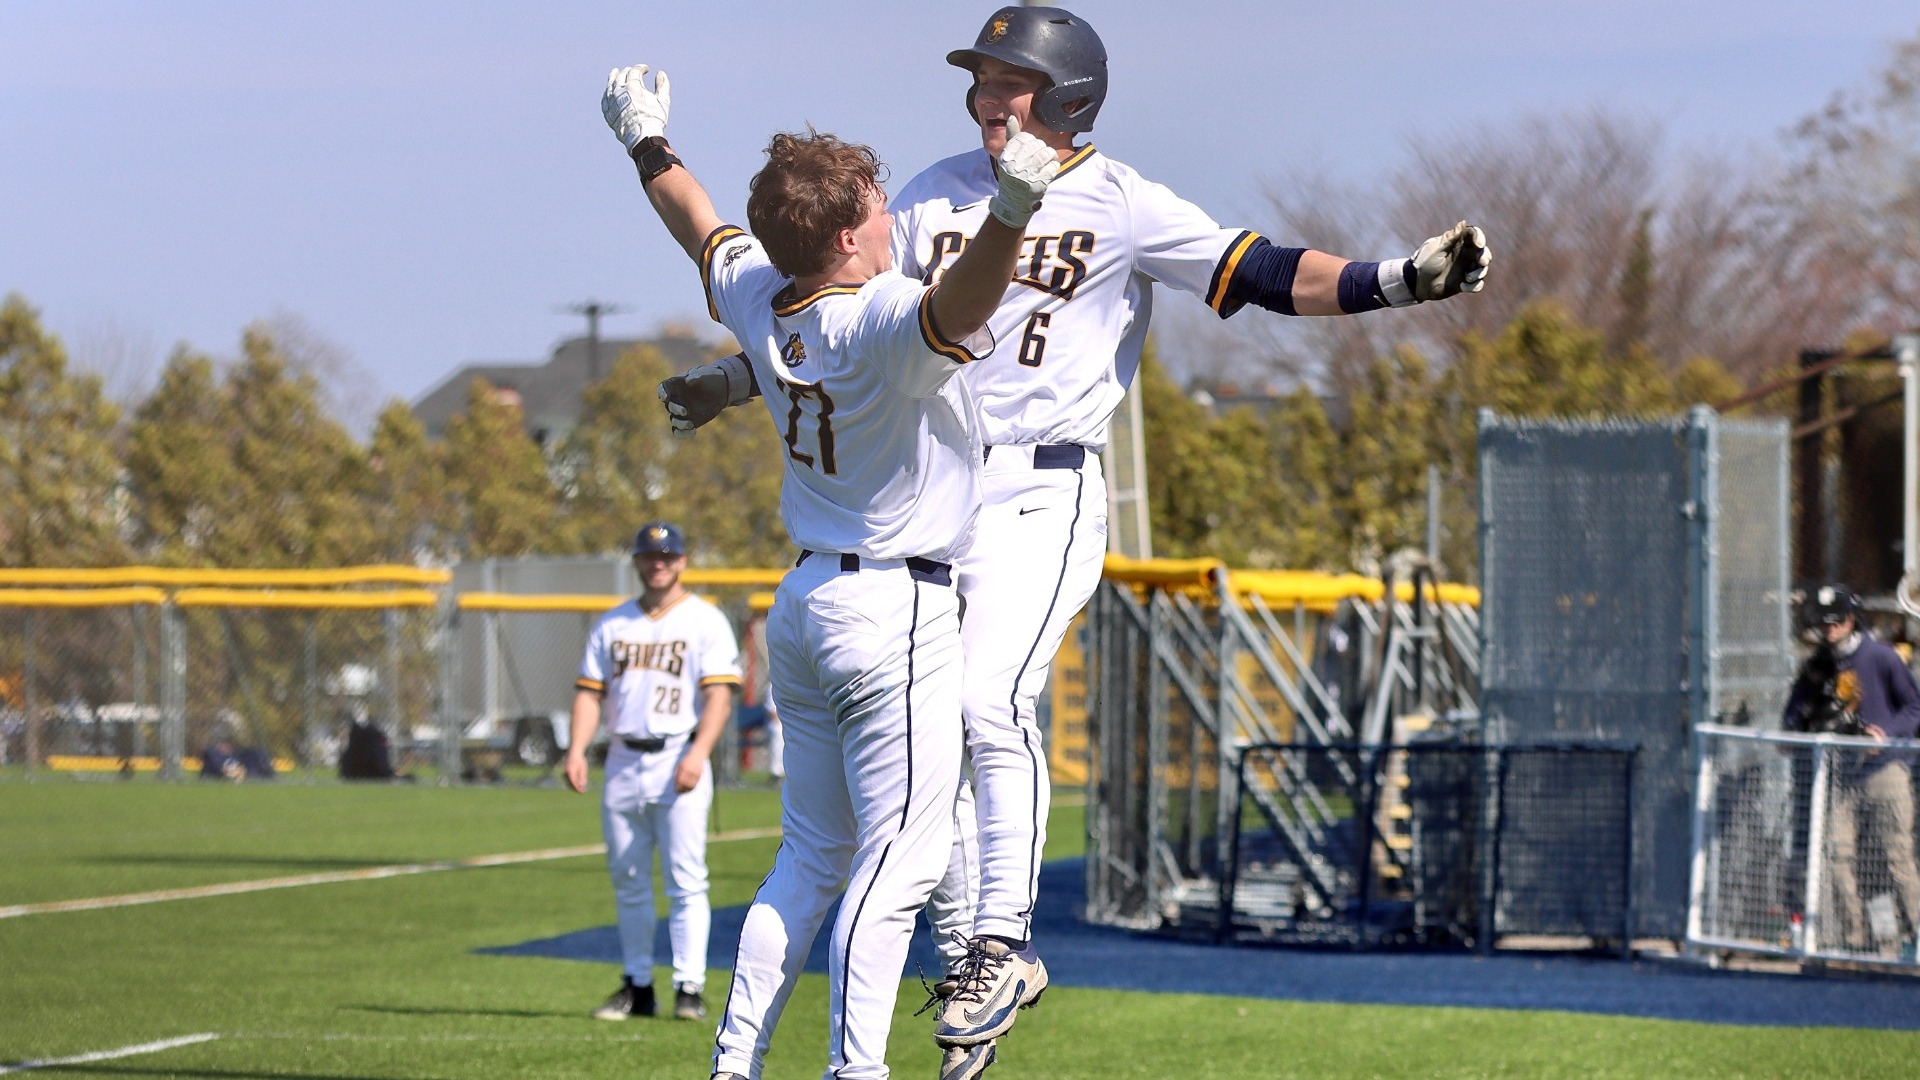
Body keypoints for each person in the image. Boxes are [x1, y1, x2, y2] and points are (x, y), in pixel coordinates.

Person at [659, 7, 1491, 1065]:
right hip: (939, 492)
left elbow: (1266, 272)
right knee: (936, 742)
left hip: (1043, 487)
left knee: (983, 700)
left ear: (1066, 95)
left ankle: (999, 944)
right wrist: (741, 379)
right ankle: (966, 963)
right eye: (981, 77)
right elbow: (841, 322)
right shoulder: (928, 192)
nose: (983, 95)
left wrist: (1401, 281)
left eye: (1006, 78)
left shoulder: (1121, 201)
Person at [599, 57, 1059, 1080]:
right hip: (892, 610)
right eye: (877, 205)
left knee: (808, 859)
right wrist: (1013, 210)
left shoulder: (763, 295)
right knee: (900, 868)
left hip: (806, 600)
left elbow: (693, 216)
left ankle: (733, 1062)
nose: (892, 217)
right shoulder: (877, 317)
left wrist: (642, 135)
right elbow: (965, 299)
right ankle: (857, 1071)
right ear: (847, 235)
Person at [566, 521, 743, 1023]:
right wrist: (578, 748)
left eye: (667, 555)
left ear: (682, 560)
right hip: (622, 758)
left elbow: (719, 696)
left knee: (686, 879)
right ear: (637, 561)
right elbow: (588, 692)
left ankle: (689, 986)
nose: (658, 563)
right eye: (649, 555)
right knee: (628, 879)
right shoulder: (613, 623)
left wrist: (698, 752)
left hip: (678, 754)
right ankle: (637, 984)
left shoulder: (705, 620)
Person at [1782, 585, 1920, 954]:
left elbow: (1914, 708)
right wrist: (1791, 730)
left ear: (1850, 620)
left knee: (1894, 858)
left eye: (1836, 622)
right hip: (1840, 775)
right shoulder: (1818, 665)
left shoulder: (1881, 657)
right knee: (1837, 854)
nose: (1829, 631)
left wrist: (1885, 733)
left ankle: (1916, 936)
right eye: (1823, 624)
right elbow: (1796, 709)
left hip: (1884, 768)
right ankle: (1867, 938)